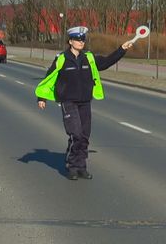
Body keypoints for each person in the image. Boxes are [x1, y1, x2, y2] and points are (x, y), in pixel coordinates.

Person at [35, 26, 134, 180]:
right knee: (76, 134)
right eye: (78, 39)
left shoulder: (89, 58)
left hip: (85, 101)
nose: (81, 42)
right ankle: (72, 166)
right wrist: (42, 98)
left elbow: (107, 62)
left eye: (83, 39)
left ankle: (81, 166)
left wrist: (122, 49)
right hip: (68, 102)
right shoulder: (61, 59)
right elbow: (49, 77)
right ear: (70, 41)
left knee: (85, 136)